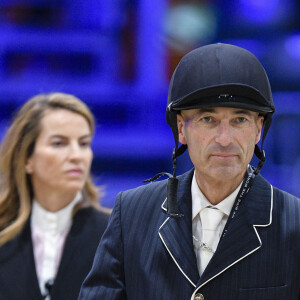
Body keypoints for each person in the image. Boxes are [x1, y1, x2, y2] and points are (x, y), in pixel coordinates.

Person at [79, 43, 300, 300]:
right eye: (209, 120)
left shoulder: (294, 223)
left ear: (258, 129)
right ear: (181, 128)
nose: (225, 139)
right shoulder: (130, 214)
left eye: (240, 120)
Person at [0, 92, 110, 300]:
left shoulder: (115, 234)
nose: (76, 156)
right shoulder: (3, 232)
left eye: (84, 143)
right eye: (59, 143)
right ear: (27, 159)